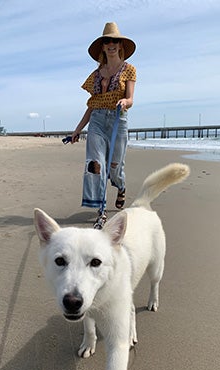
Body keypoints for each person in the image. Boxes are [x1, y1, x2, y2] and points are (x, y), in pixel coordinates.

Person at [71, 22, 137, 229]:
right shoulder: (96, 75)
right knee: (96, 165)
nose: (111, 44)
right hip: (98, 122)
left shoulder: (129, 70)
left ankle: (121, 186)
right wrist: (78, 129)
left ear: (120, 45)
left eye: (114, 41)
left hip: (118, 119)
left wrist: (124, 102)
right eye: (107, 41)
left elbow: (131, 99)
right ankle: (100, 208)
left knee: (115, 167)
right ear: (103, 46)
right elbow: (92, 106)